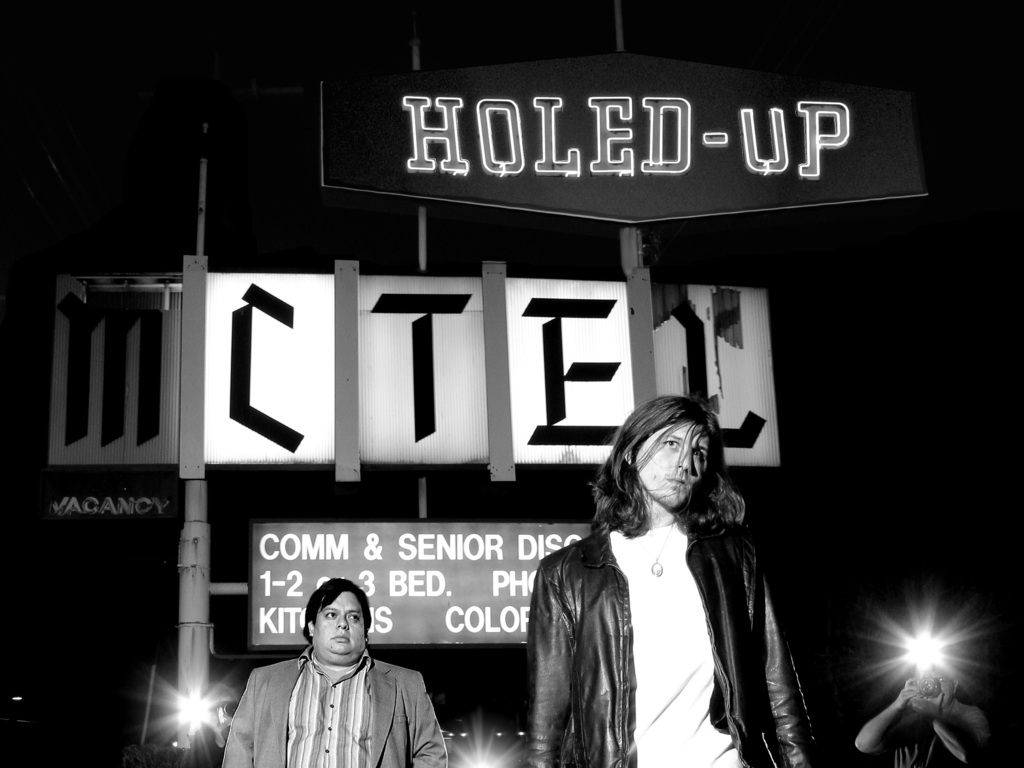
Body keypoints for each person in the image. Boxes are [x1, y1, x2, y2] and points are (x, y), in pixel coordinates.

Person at [525, 395, 814, 768]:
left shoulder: (734, 556)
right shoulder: (566, 573)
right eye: (671, 443)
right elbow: (545, 729)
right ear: (631, 452)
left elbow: (779, 688)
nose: (684, 464)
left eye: (699, 452)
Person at [222, 577, 447, 768]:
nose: (343, 624)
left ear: (365, 632)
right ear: (312, 627)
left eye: (353, 617)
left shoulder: (406, 684)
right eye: (331, 615)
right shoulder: (265, 680)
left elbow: (431, 754)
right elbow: (239, 753)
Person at [854, 676, 990, 766]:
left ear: (954, 685)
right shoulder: (910, 714)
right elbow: (863, 744)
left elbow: (971, 756)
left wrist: (933, 717)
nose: (933, 686)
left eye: (941, 680)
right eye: (928, 681)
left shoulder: (970, 713)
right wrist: (896, 705)